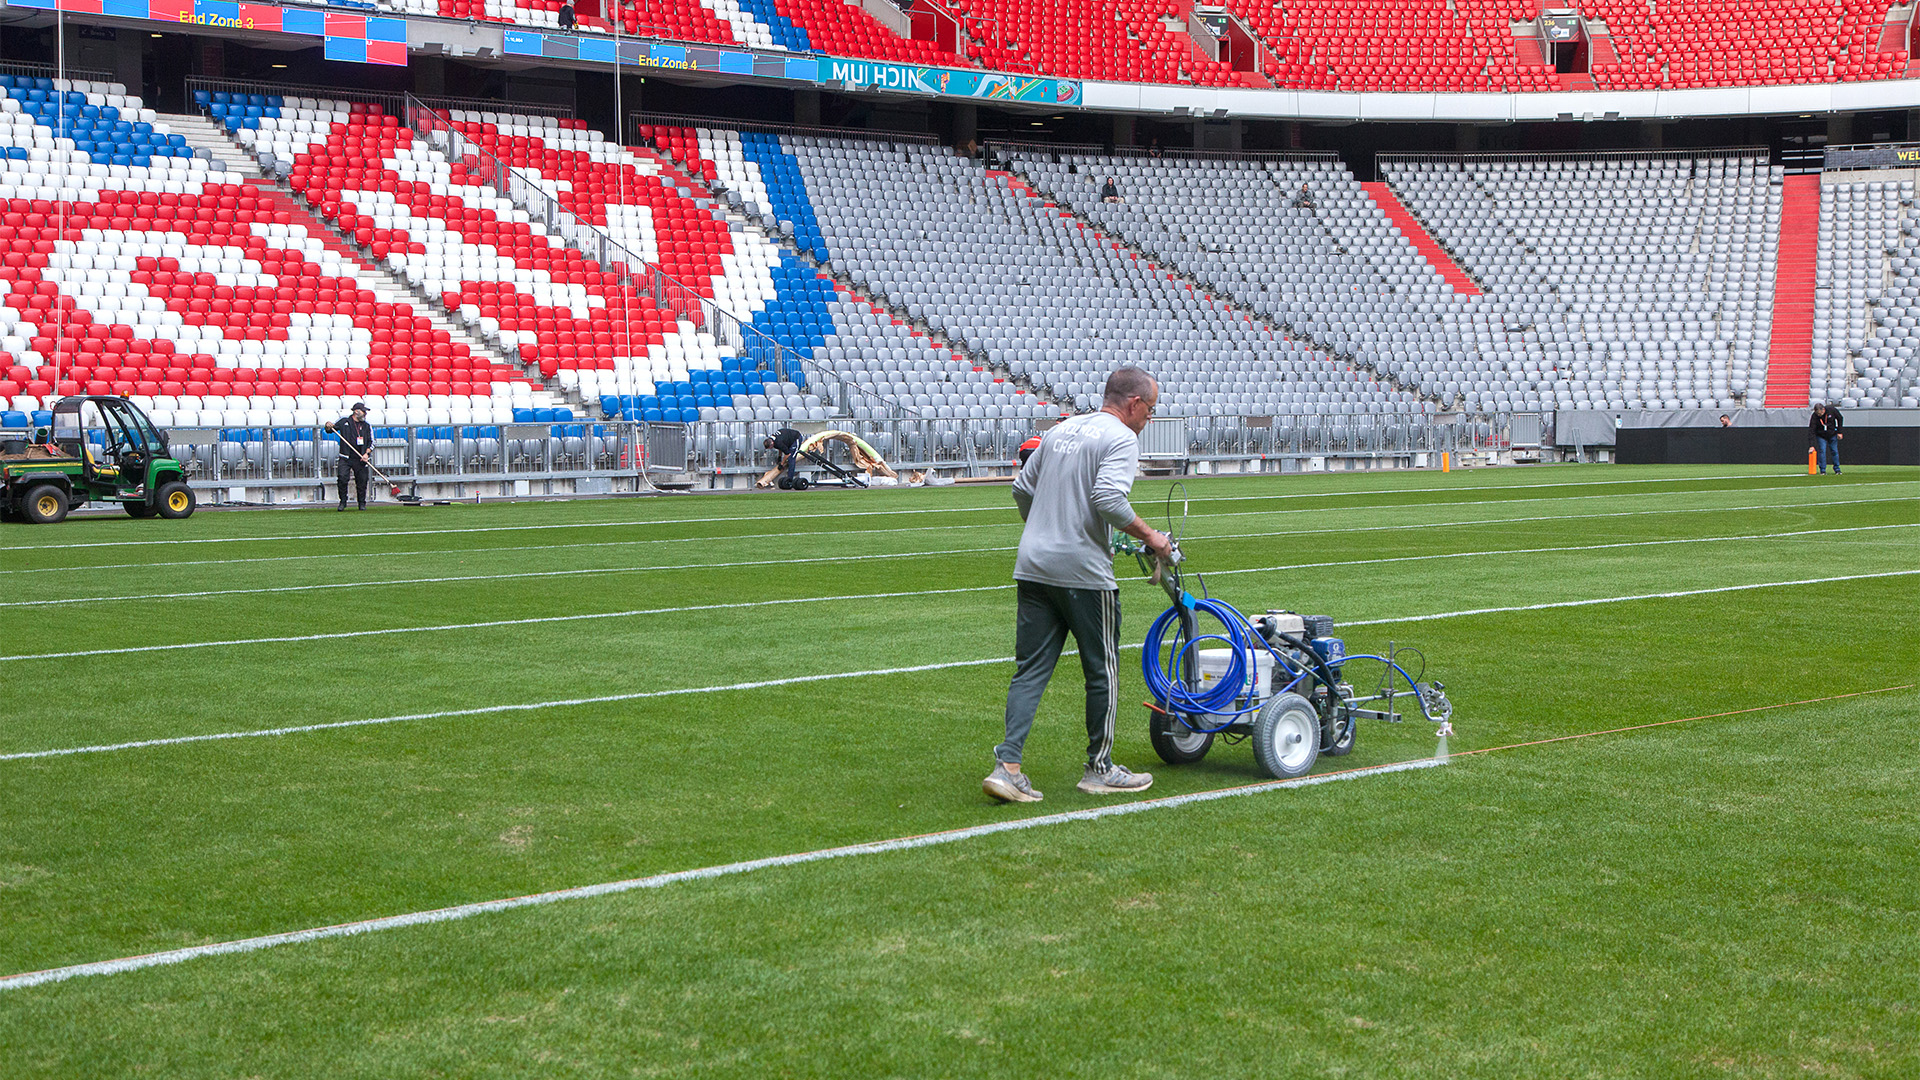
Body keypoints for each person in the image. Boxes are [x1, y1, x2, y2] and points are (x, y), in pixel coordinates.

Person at [984, 367, 1172, 804]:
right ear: (1133, 404)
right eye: (1152, 409)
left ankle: (1007, 766)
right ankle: (1100, 769)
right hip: (1083, 573)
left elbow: (1021, 489)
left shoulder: (1062, 429)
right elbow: (1108, 498)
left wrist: (1046, 530)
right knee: (1101, 671)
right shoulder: (1122, 439)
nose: (1150, 417)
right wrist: (1152, 538)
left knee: (1030, 669)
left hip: (1033, 564)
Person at [325, 402, 374, 510]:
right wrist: (328, 425)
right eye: (363, 411)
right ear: (356, 411)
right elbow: (331, 429)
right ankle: (343, 501)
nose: (365, 414)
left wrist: (367, 454)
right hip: (345, 457)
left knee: (362, 481)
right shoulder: (344, 421)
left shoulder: (366, 426)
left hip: (360, 458)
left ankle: (362, 503)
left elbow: (372, 442)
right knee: (342, 478)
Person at [1809, 402, 1843, 474]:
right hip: (1821, 436)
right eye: (1817, 414)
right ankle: (1823, 470)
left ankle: (1837, 469)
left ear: (1823, 410)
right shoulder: (1814, 416)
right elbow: (1811, 430)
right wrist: (1811, 445)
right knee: (1822, 451)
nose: (1819, 415)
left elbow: (1840, 418)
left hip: (1832, 434)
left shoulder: (1831, 410)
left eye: (1820, 413)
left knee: (1834, 451)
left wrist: (1840, 431)